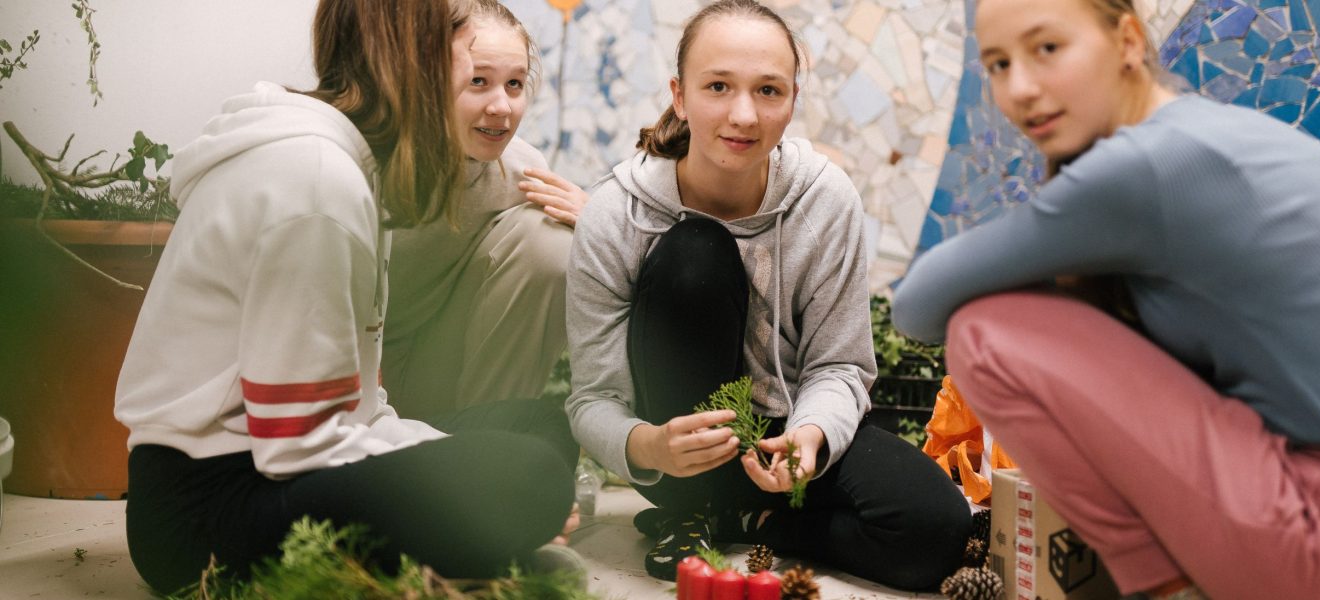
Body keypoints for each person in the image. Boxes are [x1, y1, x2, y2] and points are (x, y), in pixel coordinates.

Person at [892, 0, 1320, 597]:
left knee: (984, 334)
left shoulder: (1142, 168)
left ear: (1128, 42)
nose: (1020, 88)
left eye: (1047, 48)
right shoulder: (1208, 133)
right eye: (998, 64)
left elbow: (917, 307)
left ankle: (1167, 589)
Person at [113, 0, 576, 594]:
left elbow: (353, 410)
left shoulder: (348, 163)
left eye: (512, 84)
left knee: (538, 428)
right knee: (531, 478)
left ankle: (463, 545)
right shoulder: (315, 182)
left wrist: (464, 464)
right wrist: (485, 484)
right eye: (469, 71)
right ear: (411, 65)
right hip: (203, 512)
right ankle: (465, 550)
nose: (497, 101)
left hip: (269, 463)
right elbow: (299, 446)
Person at [565, 0, 970, 590]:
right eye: (718, 86)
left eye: (769, 91)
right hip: (681, 446)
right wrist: (648, 446)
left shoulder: (825, 200)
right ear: (680, 96)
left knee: (937, 530)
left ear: (793, 101)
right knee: (696, 250)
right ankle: (690, 508)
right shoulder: (616, 212)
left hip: (783, 436)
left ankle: (746, 521)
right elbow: (593, 399)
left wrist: (811, 436)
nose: (744, 115)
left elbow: (839, 365)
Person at [383, 0, 589, 450]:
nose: (501, 107)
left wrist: (599, 225)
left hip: (436, 373)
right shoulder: (371, 159)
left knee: (550, 237)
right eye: (479, 81)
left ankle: (487, 443)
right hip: (346, 373)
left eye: (514, 84)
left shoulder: (523, 171)